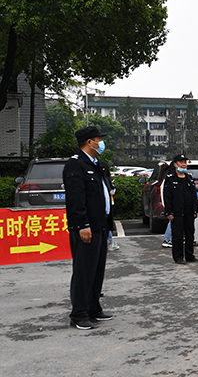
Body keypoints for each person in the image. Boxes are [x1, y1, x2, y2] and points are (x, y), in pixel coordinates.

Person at [63, 126, 114, 330]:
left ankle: (93, 308)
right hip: (86, 227)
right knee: (84, 271)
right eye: (98, 140)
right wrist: (82, 224)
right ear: (89, 142)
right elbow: (76, 199)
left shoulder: (96, 164)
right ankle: (79, 314)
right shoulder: (76, 165)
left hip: (100, 225)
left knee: (97, 269)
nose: (101, 143)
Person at [163, 154, 198, 264]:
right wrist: (168, 212)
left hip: (189, 211)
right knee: (177, 236)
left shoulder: (189, 178)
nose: (184, 164)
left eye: (185, 162)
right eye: (181, 162)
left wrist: (195, 209)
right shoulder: (170, 179)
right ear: (175, 164)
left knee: (190, 234)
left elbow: (194, 195)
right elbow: (167, 197)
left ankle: (190, 255)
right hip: (177, 212)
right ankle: (178, 257)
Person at [99, 161, 119, 251]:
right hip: (107, 206)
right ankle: (110, 242)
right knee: (108, 224)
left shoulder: (97, 179)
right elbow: (112, 191)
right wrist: (112, 184)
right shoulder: (106, 179)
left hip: (100, 207)